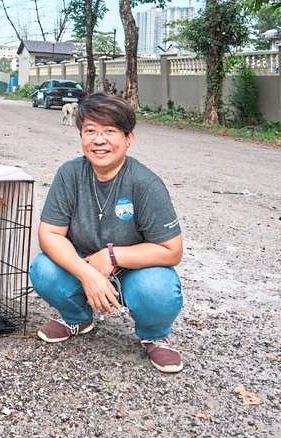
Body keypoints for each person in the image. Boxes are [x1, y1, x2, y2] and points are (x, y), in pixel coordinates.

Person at [29, 92, 185, 373]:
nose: (99, 140)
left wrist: (112, 256)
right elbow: (50, 234)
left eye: (110, 131)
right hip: (85, 263)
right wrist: (88, 273)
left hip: (134, 270)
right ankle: (77, 317)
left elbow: (171, 250)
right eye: (90, 131)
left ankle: (154, 334)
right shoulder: (70, 174)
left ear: (129, 138)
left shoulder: (145, 184)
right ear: (81, 136)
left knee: (158, 290)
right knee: (43, 268)